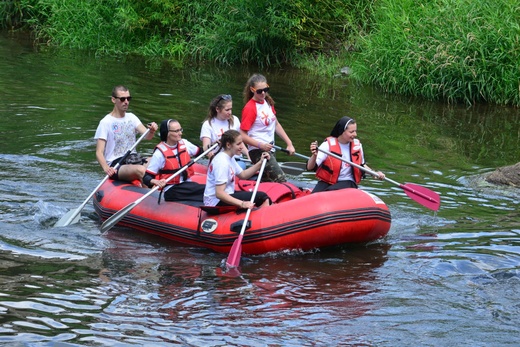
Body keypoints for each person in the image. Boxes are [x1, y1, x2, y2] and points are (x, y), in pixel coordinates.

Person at [94, 85, 158, 184]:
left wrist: (152, 130)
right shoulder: (105, 122)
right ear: (113, 100)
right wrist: (106, 168)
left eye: (128, 98)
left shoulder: (132, 117)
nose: (126, 102)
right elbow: (99, 152)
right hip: (116, 163)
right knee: (140, 170)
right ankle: (151, 194)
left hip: (133, 159)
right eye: (122, 99)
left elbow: (148, 136)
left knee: (159, 160)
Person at [306, 116, 385, 193]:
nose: (355, 134)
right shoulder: (327, 145)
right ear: (341, 131)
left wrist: (374, 173)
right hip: (328, 182)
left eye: (355, 131)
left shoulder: (358, 146)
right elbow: (309, 167)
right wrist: (314, 155)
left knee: (329, 193)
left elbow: (362, 165)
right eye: (351, 132)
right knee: (313, 198)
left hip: (348, 182)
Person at [239, 73, 295, 183]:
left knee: (268, 181)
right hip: (257, 151)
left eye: (266, 89)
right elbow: (242, 135)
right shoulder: (250, 108)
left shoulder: (268, 102)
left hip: (270, 148)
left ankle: (262, 197)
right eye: (260, 91)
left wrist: (289, 143)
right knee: (280, 179)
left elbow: (276, 124)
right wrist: (261, 145)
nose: (263, 93)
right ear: (252, 89)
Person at [203, 130, 271, 209]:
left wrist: (260, 162)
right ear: (228, 145)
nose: (242, 147)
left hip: (226, 196)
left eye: (241, 143)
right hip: (215, 203)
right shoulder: (222, 162)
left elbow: (243, 175)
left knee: (261, 197)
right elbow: (219, 193)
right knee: (262, 197)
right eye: (238, 144)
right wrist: (242, 204)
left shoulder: (229, 158)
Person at [143, 119, 205, 202]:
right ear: (167, 133)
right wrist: (156, 182)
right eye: (176, 131)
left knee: (206, 189)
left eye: (180, 130)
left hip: (186, 185)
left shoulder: (184, 143)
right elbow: (146, 178)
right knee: (205, 191)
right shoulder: (159, 154)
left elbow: (200, 151)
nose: (180, 133)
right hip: (172, 190)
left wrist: (217, 145)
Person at [200, 94, 250, 169]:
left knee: (239, 167)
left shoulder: (235, 120)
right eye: (227, 110)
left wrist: (248, 154)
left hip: (236, 160)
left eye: (231, 109)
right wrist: (213, 145)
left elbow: (240, 142)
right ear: (217, 109)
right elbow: (205, 147)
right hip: (219, 160)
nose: (230, 112)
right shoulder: (207, 124)